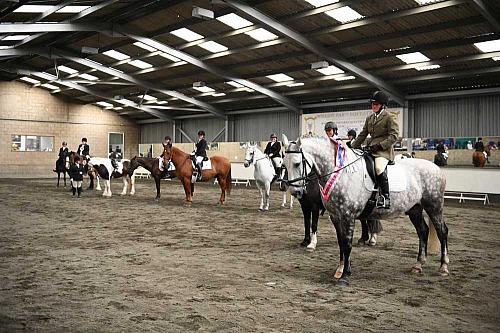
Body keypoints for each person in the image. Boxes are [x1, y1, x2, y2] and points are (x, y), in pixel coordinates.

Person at [352, 91, 399, 209]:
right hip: (371, 149)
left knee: (378, 168)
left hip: (384, 151)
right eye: (372, 104)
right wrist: (352, 147)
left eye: (376, 104)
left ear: (383, 105)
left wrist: (380, 145)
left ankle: (386, 197)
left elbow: (394, 136)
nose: (373, 106)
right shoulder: (370, 118)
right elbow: (363, 134)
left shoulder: (389, 117)